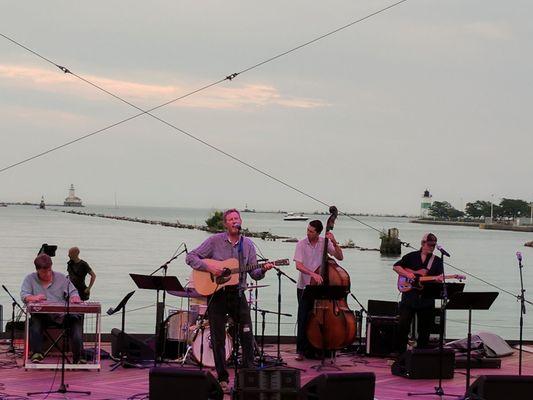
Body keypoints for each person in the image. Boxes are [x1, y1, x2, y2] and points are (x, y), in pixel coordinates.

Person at [186, 209, 273, 391]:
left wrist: (263, 269)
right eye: (231, 219)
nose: (234, 221)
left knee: (247, 335)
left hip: (238, 293)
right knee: (218, 338)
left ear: (241, 222)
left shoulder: (247, 244)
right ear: (226, 224)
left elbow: (254, 273)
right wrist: (211, 268)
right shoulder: (214, 241)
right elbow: (191, 257)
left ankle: (249, 376)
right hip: (217, 294)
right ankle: (222, 378)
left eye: (237, 219)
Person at [293, 219, 344, 361]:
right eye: (307, 230)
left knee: (321, 316)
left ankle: (320, 346)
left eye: (311, 231)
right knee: (304, 317)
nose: (308, 233)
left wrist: (334, 242)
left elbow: (340, 257)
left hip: (321, 286)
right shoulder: (301, 244)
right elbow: (298, 265)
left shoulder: (323, 242)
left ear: (318, 233)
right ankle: (301, 350)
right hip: (305, 285)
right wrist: (312, 273)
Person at [20, 253, 84, 363]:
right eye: (44, 272)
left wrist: (74, 297)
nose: (47, 274)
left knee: (76, 320)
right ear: (37, 270)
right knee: (35, 321)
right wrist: (34, 297)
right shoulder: (30, 279)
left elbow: (73, 292)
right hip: (43, 316)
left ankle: (78, 357)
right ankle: (37, 353)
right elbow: (24, 295)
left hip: (62, 316)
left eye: (49, 270)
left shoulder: (61, 278)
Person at [393, 232, 444, 352]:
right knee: (403, 325)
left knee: (425, 329)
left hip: (426, 299)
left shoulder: (437, 261)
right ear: (423, 243)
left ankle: (421, 354)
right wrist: (409, 275)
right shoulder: (411, 256)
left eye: (433, 245)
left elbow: (438, 279)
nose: (431, 247)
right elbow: (396, 267)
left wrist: (437, 280)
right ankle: (400, 353)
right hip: (409, 297)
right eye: (429, 245)